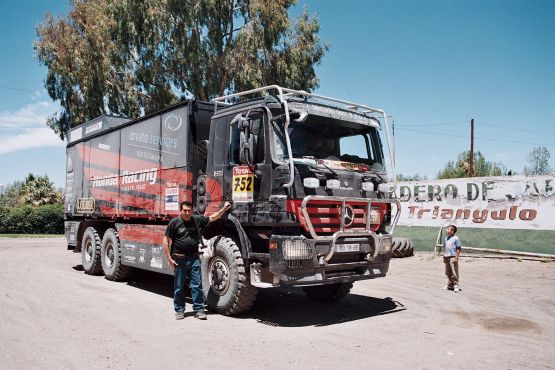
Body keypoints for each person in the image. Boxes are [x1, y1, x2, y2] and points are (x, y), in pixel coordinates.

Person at [163, 200, 232, 320]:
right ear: (181, 210)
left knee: (196, 285)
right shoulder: (174, 223)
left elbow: (212, 218)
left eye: (189, 211)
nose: (187, 213)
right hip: (179, 259)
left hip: (194, 258)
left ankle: (199, 310)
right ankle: (179, 310)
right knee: (179, 286)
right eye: (185, 210)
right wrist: (169, 259)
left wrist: (223, 209)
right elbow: (166, 240)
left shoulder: (196, 219)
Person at [442, 224, 462, 292]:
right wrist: (444, 256)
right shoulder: (446, 238)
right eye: (446, 229)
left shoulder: (456, 238)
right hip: (446, 257)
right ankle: (450, 285)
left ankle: (456, 285)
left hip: (452, 257)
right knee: (448, 272)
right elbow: (445, 247)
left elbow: (458, 248)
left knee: (454, 272)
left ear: (452, 231)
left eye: (448, 229)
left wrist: (456, 257)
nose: (446, 230)